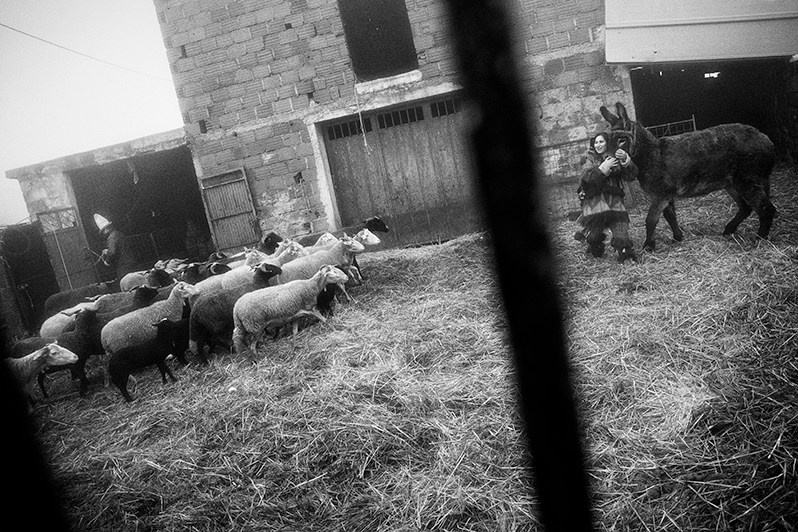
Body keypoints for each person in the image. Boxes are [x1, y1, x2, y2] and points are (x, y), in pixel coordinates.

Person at [575, 132, 637, 263]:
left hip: (614, 202)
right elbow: (587, 179)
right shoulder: (588, 158)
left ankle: (625, 254)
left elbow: (631, 176)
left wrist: (626, 160)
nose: (598, 145)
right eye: (596, 142)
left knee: (621, 233)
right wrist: (602, 169)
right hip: (594, 204)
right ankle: (594, 245)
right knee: (594, 236)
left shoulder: (616, 156)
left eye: (601, 142)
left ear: (607, 142)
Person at [94, 213, 137, 286]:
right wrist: (107, 251)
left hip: (123, 265)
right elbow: (119, 248)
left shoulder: (111, 238)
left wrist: (107, 261)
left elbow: (113, 252)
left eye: (103, 230)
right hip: (130, 261)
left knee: (126, 284)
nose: (103, 233)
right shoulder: (119, 234)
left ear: (107, 229)